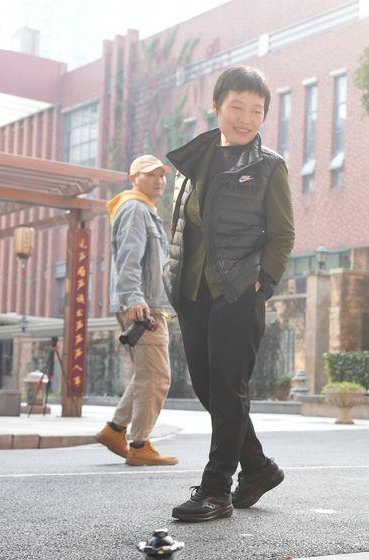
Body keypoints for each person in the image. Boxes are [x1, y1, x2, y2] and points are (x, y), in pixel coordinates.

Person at [164, 65, 294, 522]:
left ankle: (216, 489)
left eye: (256, 111)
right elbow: (181, 226)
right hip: (192, 289)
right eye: (237, 107)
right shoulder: (195, 160)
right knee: (208, 387)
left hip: (239, 291)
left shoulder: (269, 166)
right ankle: (257, 468)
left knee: (228, 388)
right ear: (216, 107)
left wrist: (264, 280)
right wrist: (172, 277)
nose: (246, 118)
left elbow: (283, 234)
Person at [95, 154, 178, 466]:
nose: (159, 180)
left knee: (147, 373)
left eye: (162, 175)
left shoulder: (145, 209)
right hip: (143, 306)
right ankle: (140, 444)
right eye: (150, 174)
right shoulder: (134, 209)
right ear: (133, 178)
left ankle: (115, 430)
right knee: (157, 376)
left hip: (147, 303)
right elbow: (128, 259)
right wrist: (134, 299)